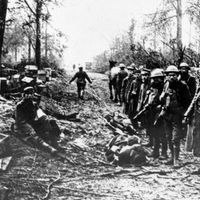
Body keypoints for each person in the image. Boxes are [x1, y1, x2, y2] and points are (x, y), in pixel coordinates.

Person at [12, 86, 65, 158]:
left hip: (33, 123)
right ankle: (50, 149)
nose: (29, 96)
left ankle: (55, 142)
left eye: (31, 94)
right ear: (23, 95)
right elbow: (20, 121)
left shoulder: (34, 104)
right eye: (27, 94)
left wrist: (44, 119)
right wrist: (30, 128)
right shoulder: (20, 106)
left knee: (51, 122)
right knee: (34, 137)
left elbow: (40, 113)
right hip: (23, 126)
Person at [160, 65, 191, 167]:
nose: (171, 77)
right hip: (167, 114)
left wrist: (186, 115)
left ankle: (176, 160)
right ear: (167, 76)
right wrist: (164, 96)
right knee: (168, 136)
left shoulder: (182, 86)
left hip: (177, 115)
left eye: (174, 75)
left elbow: (188, 102)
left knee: (175, 138)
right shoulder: (166, 85)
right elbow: (161, 99)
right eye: (169, 75)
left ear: (177, 75)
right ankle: (171, 157)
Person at [141, 68, 167, 159]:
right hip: (153, 112)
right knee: (154, 133)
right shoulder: (152, 87)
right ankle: (155, 152)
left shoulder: (165, 87)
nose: (156, 80)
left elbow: (166, 100)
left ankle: (164, 153)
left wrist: (161, 106)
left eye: (158, 78)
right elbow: (151, 99)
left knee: (163, 134)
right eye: (155, 78)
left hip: (163, 113)